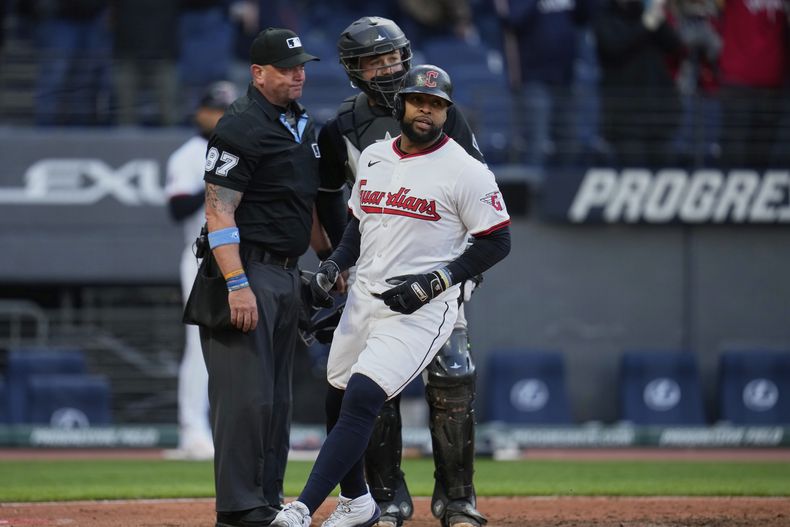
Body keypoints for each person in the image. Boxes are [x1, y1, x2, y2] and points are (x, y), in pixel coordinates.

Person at [271, 64, 511, 527]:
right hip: (365, 297)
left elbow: (497, 241)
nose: (427, 111)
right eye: (420, 101)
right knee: (337, 397)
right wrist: (334, 265)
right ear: (401, 104)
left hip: (423, 307)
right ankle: (358, 501)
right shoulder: (377, 157)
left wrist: (437, 282)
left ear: (448, 112)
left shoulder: (465, 169)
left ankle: (301, 508)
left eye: (437, 104)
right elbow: (358, 225)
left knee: (363, 396)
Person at [313, 16, 488, 527]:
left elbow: (479, 192)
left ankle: (457, 500)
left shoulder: (443, 114)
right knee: (374, 387)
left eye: (394, 57)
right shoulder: (339, 128)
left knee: (455, 375)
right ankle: (387, 498)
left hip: (440, 273)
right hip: (373, 276)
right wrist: (337, 263)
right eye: (376, 60)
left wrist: (466, 271)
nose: (388, 68)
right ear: (354, 70)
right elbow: (328, 200)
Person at [199, 27, 331, 527]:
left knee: (276, 400)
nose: (299, 75)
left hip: (285, 272)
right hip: (246, 268)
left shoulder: (299, 124)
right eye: (287, 68)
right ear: (258, 73)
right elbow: (219, 212)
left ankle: (267, 499)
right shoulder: (240, 126)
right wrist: (237, 284)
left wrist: (330, 262)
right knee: (245, 399)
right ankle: (238, 509)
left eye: (302, 67)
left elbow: (307, 206)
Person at [164, 80, 238, 461]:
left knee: (241, 345)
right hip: (200, 259)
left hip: (241, 258)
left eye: (228, 110)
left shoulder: (241, 150)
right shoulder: (188, 154)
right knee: (199, 345)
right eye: (216, 109)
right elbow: (176, 208)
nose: (221, 116)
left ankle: (238, 432)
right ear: (201, 112)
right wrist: (215, 184)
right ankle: (192, 430)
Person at [592, 0, 684, 168]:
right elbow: (614, 47)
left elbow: (674, 45)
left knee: (664, 177)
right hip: (625, 121)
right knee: (633, 175)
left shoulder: (647, 14)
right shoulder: (604, 17)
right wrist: (645, 25)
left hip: (658, 115)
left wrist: (657, 15)